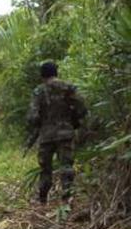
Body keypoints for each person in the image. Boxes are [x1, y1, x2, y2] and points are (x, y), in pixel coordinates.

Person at [27, 61, 87, 204]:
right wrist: (73, 120)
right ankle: (67, 200)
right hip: (66, 134)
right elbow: (82, 108)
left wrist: (38, 125)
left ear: (42, 75)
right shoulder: (68, 88)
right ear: (56, 72)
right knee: (66, 166)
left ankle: (42, 200)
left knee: (45, 170)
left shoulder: (39, 91)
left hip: (46, 136)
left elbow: (32, 116)